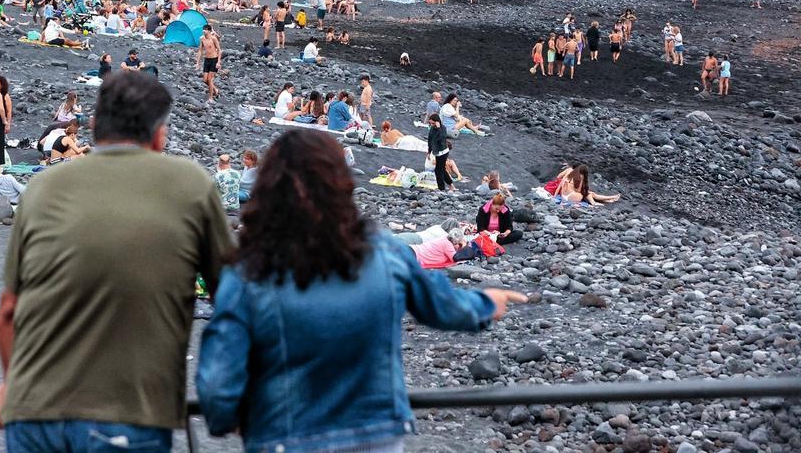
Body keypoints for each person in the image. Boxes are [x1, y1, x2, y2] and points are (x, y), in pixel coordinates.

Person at [196, 130, 525, 453]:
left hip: (285, 434)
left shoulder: (247, 271)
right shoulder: (382, 252)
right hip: (374, 429)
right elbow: (441, 305)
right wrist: (486, 303)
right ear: (340, 185)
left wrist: (230, 419)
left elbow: (217, 381)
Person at [0, 70, 234, 446]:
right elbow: (233, 301)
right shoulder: (191, 185)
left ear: (93, 127)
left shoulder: (43, 188)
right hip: (128, 412)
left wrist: (10, 387)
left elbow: (9, 309)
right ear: (160, 136)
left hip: (34, 411)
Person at [553, 165, 620, 205]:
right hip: (570, 197)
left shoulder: (568, 175)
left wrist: (555, 196)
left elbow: (559, 185)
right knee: (589, 194)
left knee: (590, 193)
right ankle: (595, 203)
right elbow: (578, 190)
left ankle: (609, 199)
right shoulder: (580, 177)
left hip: (563, 195)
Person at [427, 112, 452, 192]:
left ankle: (441, 188)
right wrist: (429, 152)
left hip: (443, 152)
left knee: (438, 170)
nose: (432, 125)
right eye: (430, 123)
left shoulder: (442, 128)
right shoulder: (432, 129)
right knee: (441, 169)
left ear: (437, 122)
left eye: (433, 123)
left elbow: (442, 138)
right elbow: (430, 140)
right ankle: (450, 185)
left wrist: (438, 128)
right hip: (437, 152)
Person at [196, 25, 222, 103]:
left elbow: (219, 50)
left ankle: (210, 98)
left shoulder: (213, 38)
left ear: (209, 31)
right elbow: (200, 50)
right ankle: (215, 90)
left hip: (214, 60)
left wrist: (218, 62)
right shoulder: (202, 39)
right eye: (203, 29)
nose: (204, 31)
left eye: (206, 30)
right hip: (207, 60)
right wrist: (197, 62)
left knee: (210, 79)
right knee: (205, 80)